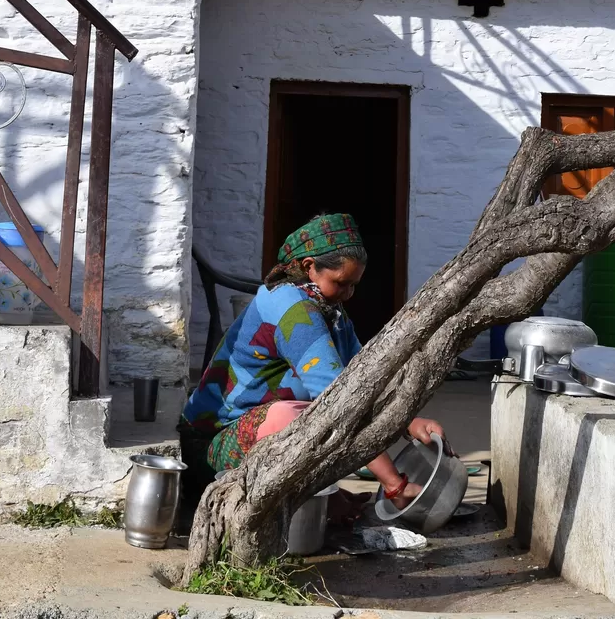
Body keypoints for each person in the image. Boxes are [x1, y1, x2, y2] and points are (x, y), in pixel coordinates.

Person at [180, 212, 445, 509]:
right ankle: (313, 504)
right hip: (210, 448)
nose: (347, 295)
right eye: (341, 282)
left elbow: (364, 376)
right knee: (299, 418)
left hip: (257, 439)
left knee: (318, 417)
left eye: (353, 285)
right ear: (309, 267)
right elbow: (340, 402)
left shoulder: (329, 309)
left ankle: (323, 503)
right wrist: (394, 484)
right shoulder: (292, 309)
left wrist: (407, 421)